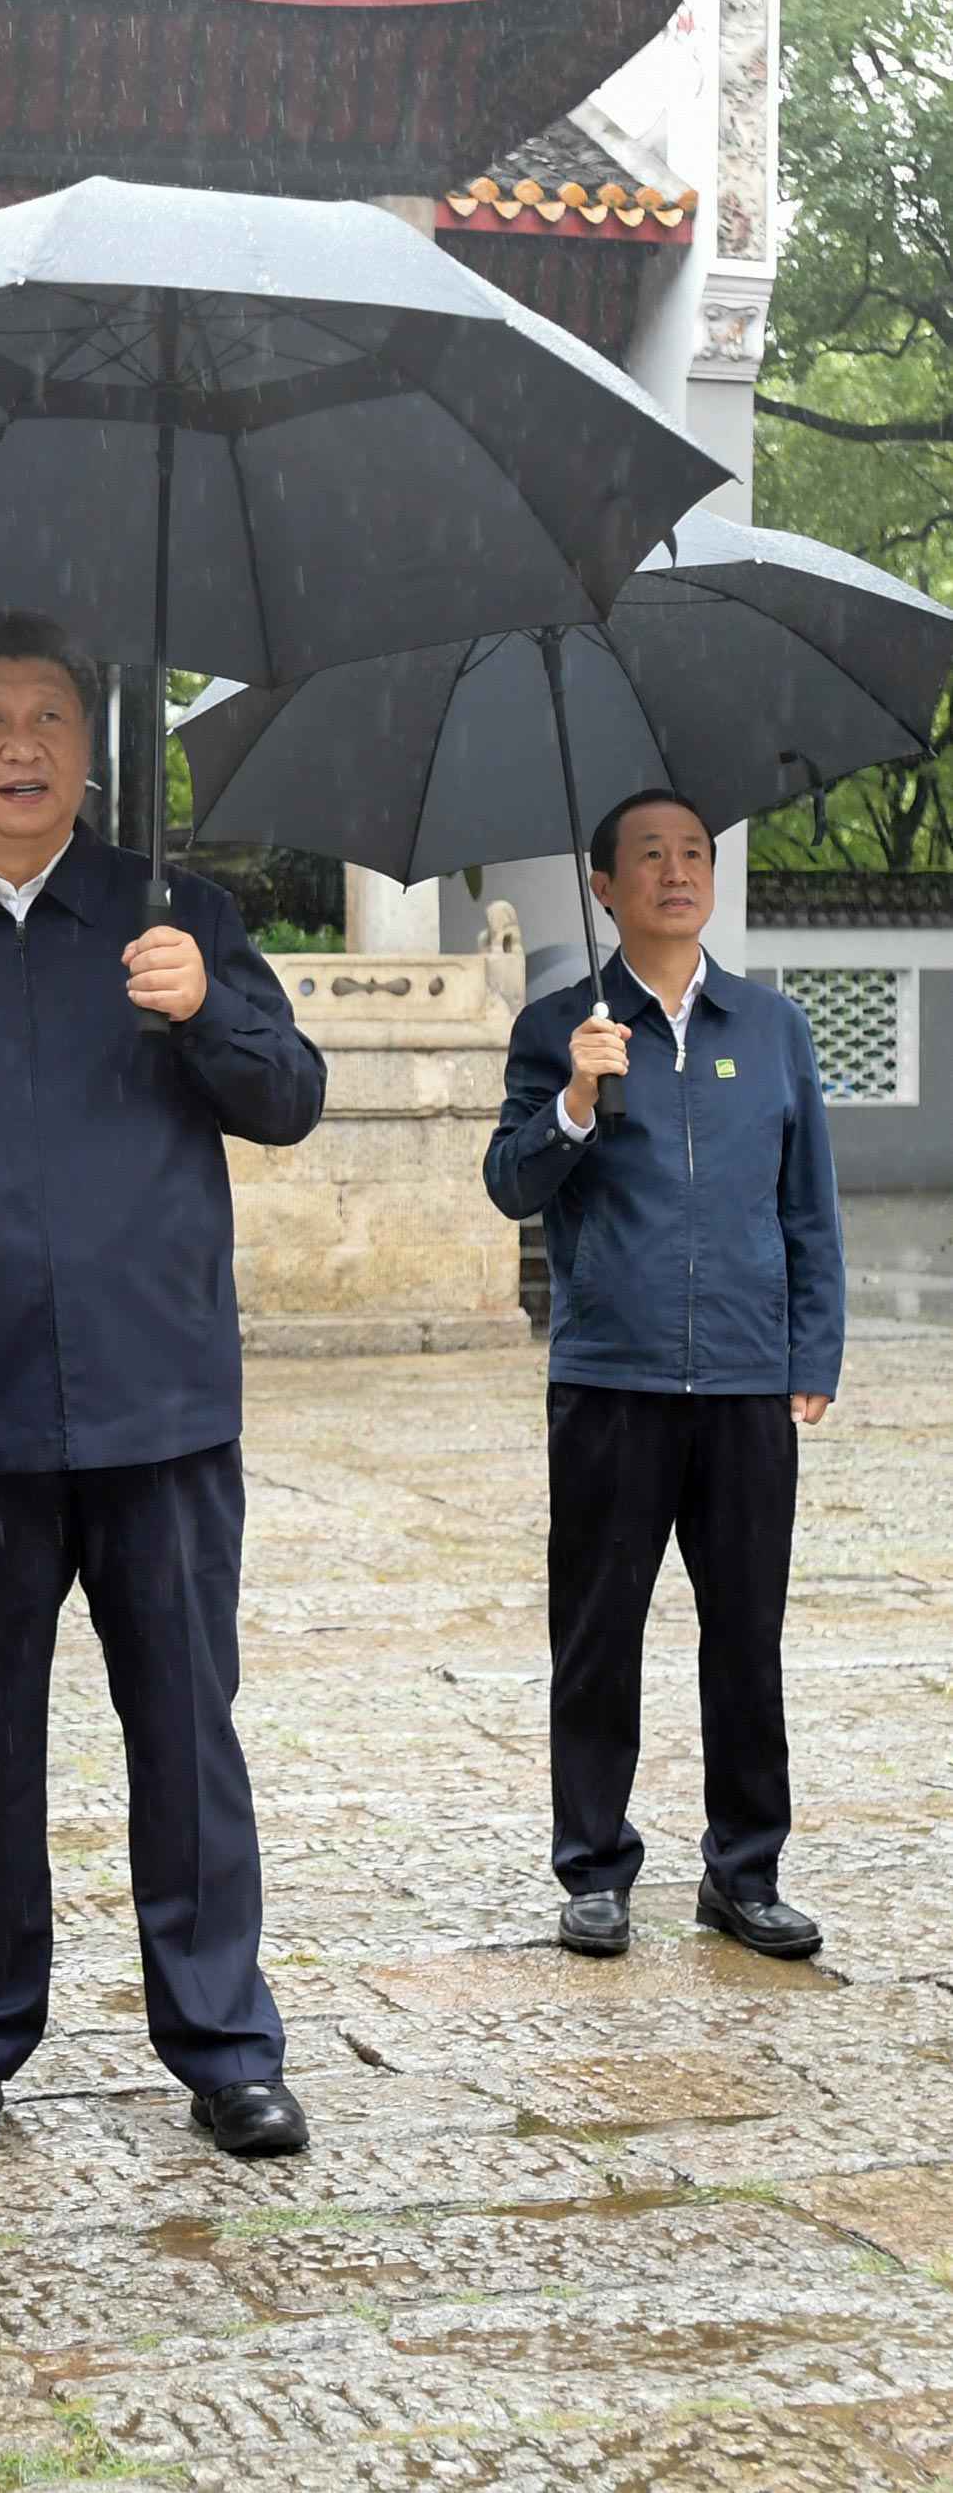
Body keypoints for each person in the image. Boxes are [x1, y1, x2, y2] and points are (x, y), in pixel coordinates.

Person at [0, 612, 328, 2160]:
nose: (21, 744)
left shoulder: (176, 917)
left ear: (91, 745)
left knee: (185, 1729)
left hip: (160, 1404)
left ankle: (222, 2039)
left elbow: (287, 1097)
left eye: (48, 715)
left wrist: (202, 1004)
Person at [484, 788, 845, 1965]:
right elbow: (510, 1186)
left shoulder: (774, 1028)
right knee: (599, 1633)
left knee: (747, 1635)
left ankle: (745, 1874)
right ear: (604, 885)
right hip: (610, 1378)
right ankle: (593, 1872)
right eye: (649, 856)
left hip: (746, 1381)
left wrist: (812, 1347)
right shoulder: (557, 1027)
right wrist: (577, 1101)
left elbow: (810, 1208)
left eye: (694, 853)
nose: (677, 872)